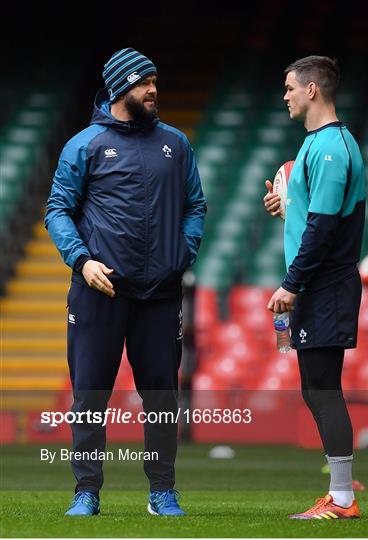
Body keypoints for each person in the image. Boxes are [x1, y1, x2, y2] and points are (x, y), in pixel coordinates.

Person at [45, 48, 206, 517]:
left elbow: (195, 205)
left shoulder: (175, 143)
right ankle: (86, 492)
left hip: (160, 294)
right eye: (143, 83)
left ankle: (161, 491)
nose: (153, 90)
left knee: (160, 396)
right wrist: (81, 261)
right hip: (100, 291)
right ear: (120, 89)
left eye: (155, 81)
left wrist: (185, 251)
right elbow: (57, 210)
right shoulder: (84, 144)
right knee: (90, 395)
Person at [264, 56, 365, 520]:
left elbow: (325, 228)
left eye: (289, 88)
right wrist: (285, 209)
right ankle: (340, 494)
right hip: (317, 285)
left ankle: (342, 499)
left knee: (324, 388)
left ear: (312, 90)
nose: (284, 95)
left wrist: (291, 285)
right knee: (316, 387)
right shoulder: (318, 146)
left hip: (324, 285)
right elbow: (316, 219)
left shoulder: (330, 148)